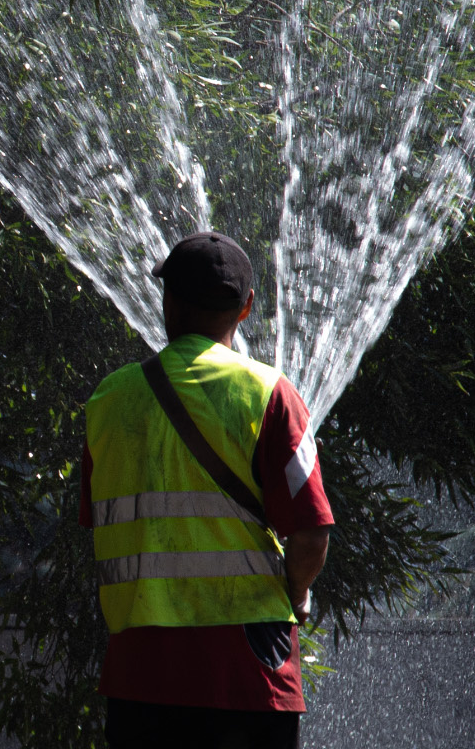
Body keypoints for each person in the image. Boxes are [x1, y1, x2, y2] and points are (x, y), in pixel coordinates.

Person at [80, 231, 335, 749]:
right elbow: (310, 534)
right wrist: (299, 591)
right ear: (246, 310)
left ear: (168, 300)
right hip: (246, 676)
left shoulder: (109, 399)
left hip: (139, 677)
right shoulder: (270, 394)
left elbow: (97, 520)